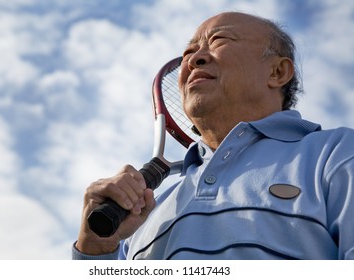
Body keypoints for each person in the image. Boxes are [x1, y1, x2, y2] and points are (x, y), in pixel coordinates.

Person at [72, 11, 354, 260]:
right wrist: (95, 247)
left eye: (220, 41)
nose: (195, 58)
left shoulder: (338, 152)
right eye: (188, 52)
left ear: (278, 72)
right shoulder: (139, 214)